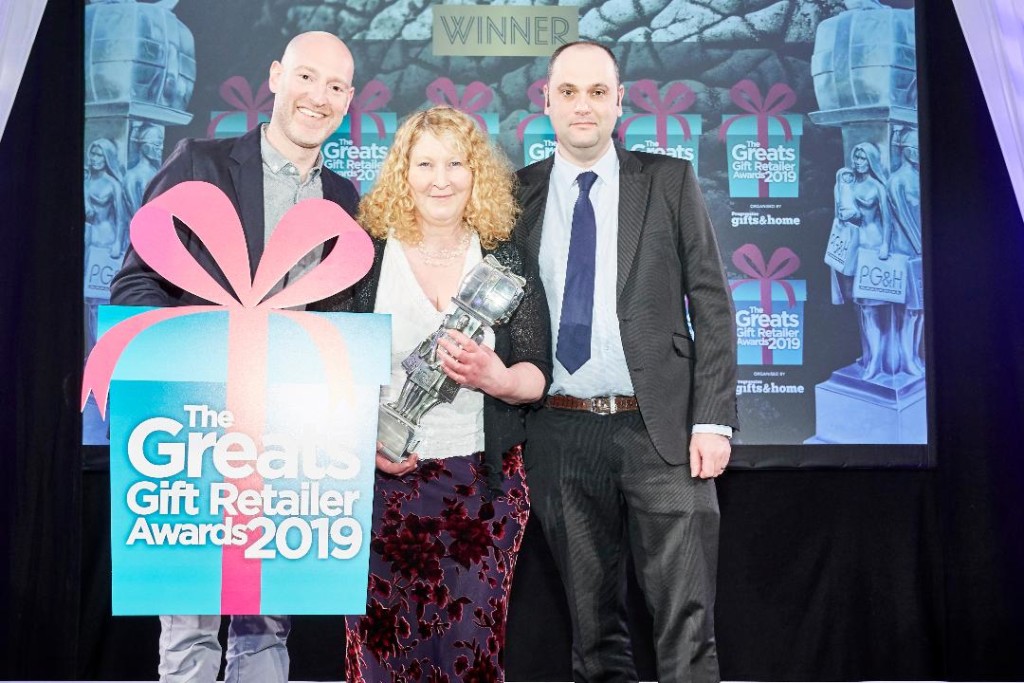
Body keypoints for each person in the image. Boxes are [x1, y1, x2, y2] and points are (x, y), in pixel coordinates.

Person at [109, 31, 360, 683]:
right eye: (307, 77)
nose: (319, 96)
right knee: (189, 631)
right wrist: (192, 351)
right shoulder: (202, 163)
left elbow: (347, 320)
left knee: (266, 630)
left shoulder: (345, 198)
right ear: (276, 76)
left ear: (350, 99)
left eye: (335, 86)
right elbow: (135, 281)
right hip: (196, 429)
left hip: (294, 442)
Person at [514, 41, 738, 682]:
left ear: (620, 101)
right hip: (557, 433)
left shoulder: (668, 181)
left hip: (662, 432)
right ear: (546, 101)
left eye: (596, 92)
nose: (582, 105)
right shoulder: (515, 194)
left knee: (686, 629)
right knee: (593, 635)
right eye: (568, 92)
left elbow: (713, 305)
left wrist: (713, 419)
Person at [329, 105, 551, 682]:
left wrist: (494, 377)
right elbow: (328, 369)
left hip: (482, 487)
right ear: (403, 173)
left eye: (456, 163)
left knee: (467, 655)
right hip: (379, 489)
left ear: (477, 173)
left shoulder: (503, 256)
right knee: (383, 657)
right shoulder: (365, 256)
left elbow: (536, 375)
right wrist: (359, 443)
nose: (441, 178)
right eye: (425, 163)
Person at [830, 141, 894, 380]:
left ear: (871, 161)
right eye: (856, 158)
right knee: (858, 306)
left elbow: (887, 220)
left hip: (872, 245)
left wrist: (886, 245)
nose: (858, 162)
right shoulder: (846, 182)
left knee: (870, 307)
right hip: (851, 248)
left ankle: (875, 361)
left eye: (863, 158)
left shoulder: (877, 186)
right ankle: (868, 354)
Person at [887, 128, 923, 376]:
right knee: (909, 310)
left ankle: (915, 355)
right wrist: (921, 247)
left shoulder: (919, 177)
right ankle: (906, 358)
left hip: (920, 253)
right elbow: (902, 217)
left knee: (920, 309)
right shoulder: (897, 180)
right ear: (908, 151)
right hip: (907, 252)